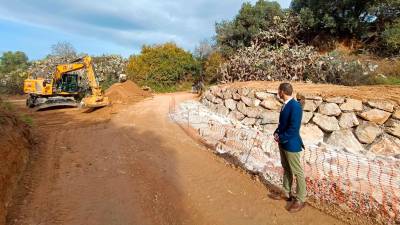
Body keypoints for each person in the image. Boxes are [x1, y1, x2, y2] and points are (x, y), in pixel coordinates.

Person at [270, 82, 307, 213]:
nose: (277, 93)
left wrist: (281, 137)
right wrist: (276, 132)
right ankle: (286, 192)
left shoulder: (295, 107)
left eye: (278, 90)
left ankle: (301, 198)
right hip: (283, 142)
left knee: (297, 171)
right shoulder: (285, 105)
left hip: (291, 144)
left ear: (282, 92)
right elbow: (283, 124)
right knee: (286, 168)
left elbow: (294, 129)